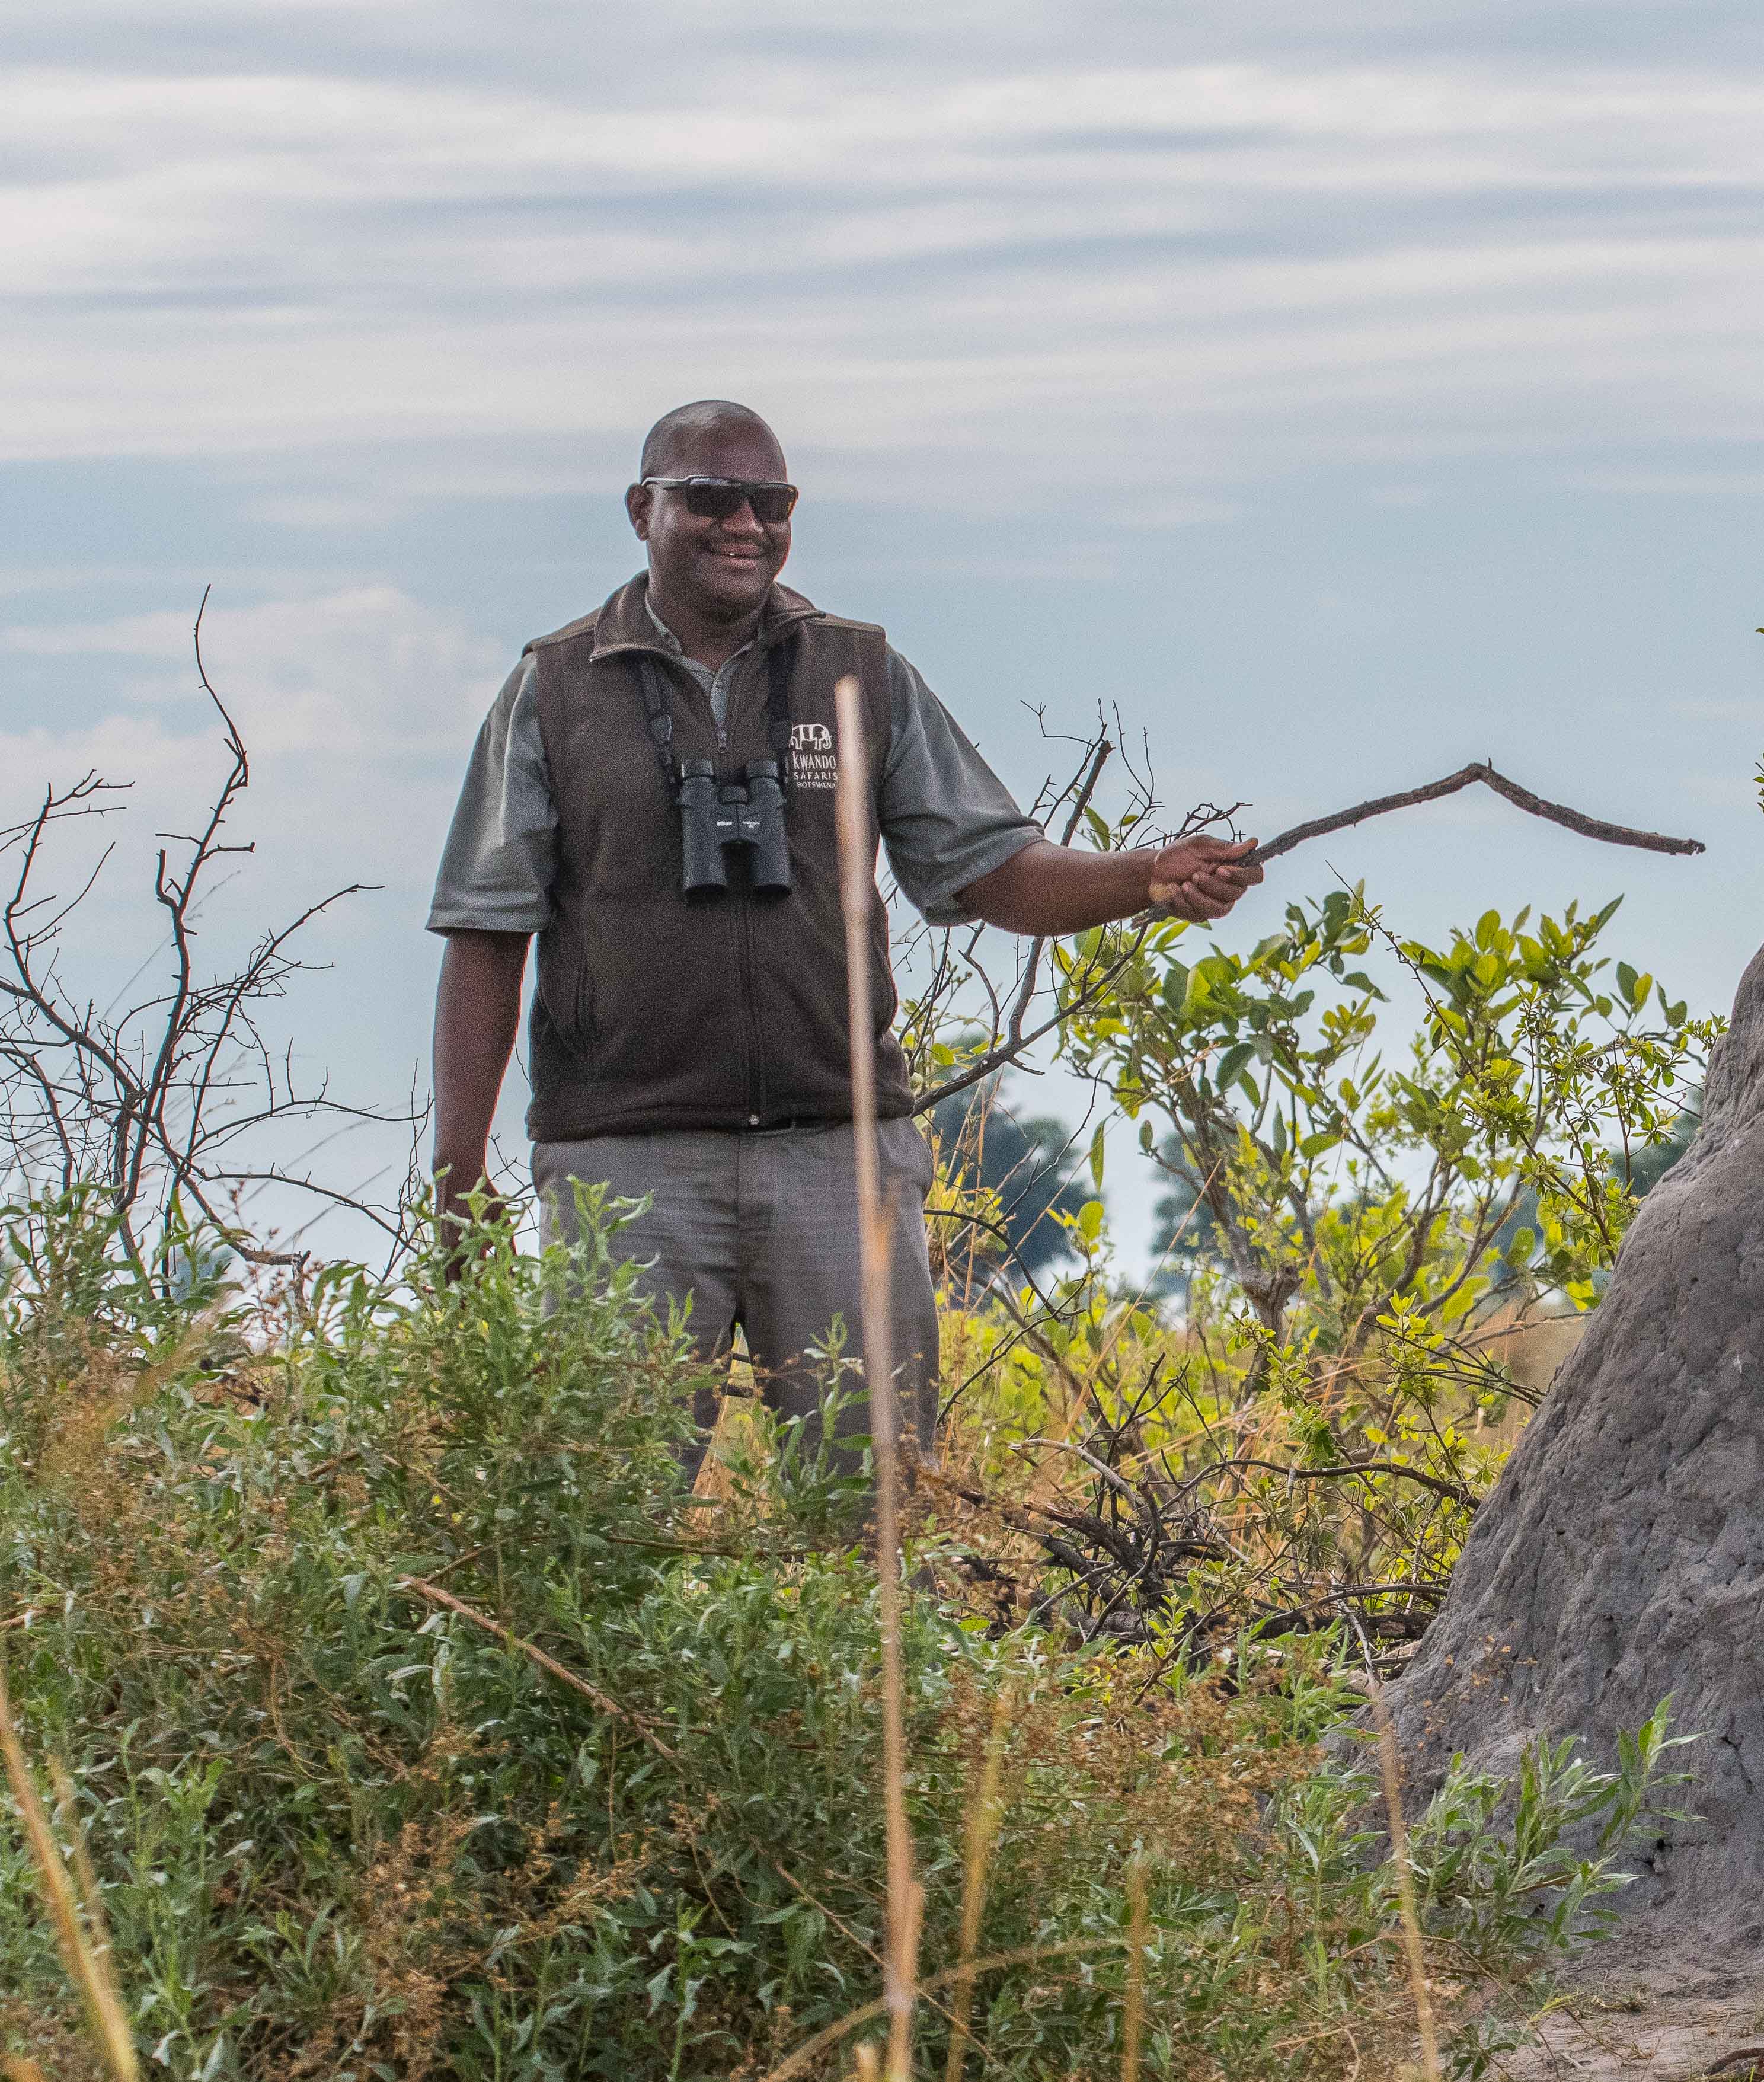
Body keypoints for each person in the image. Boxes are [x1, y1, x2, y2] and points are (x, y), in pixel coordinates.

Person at [426, 398, 1261, 1482]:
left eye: (770, 502)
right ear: (643, 510)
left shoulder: (859, 672)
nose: (745, 525)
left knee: (872, 1520)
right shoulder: (554, 687)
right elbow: (488, 931)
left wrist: (1143, 878)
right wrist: (458, 1163)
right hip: (624, 1170)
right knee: (600, 1519)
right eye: (710, 499)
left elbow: (991, 870)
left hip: (839, 1157)